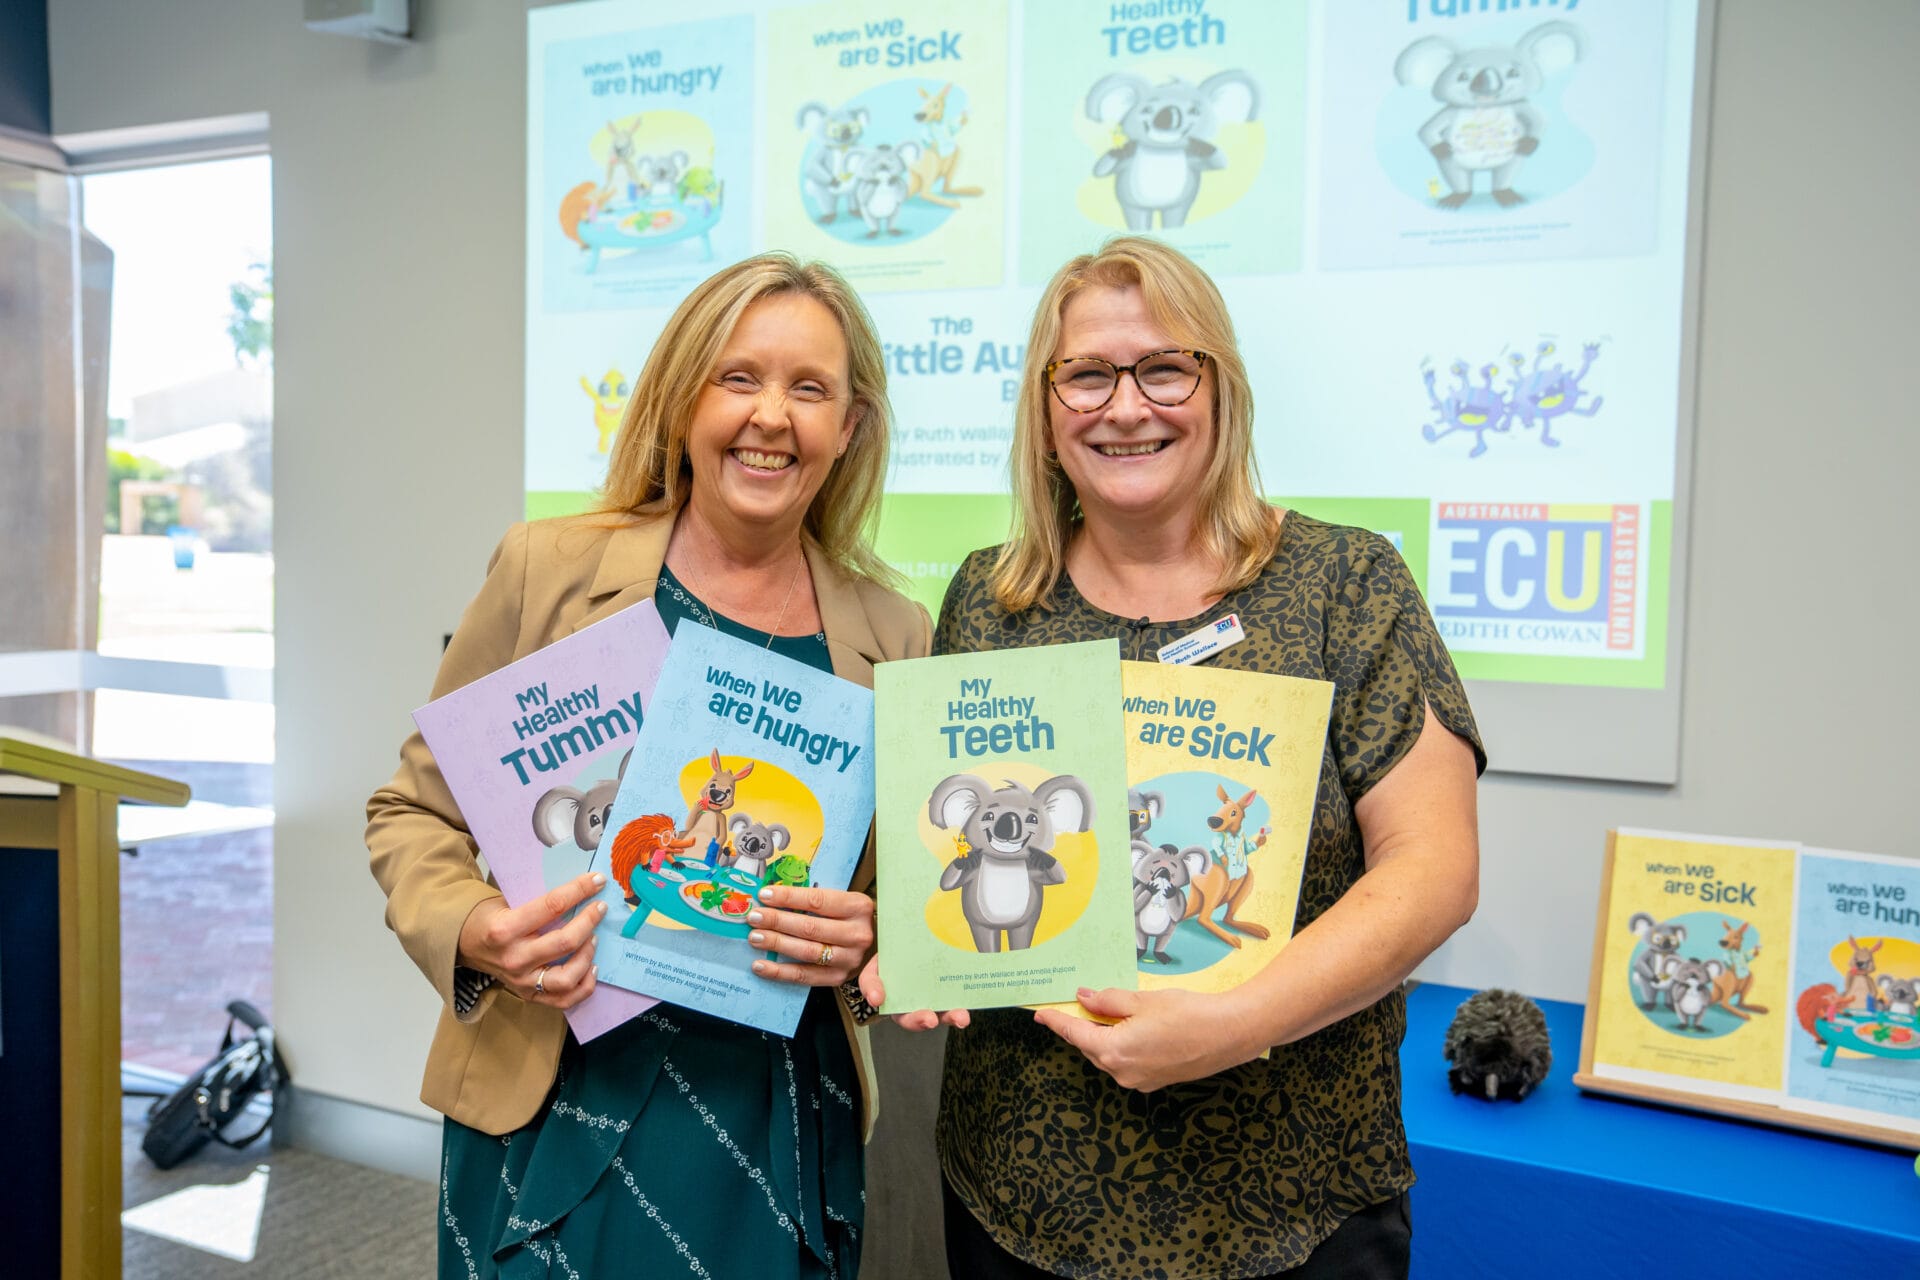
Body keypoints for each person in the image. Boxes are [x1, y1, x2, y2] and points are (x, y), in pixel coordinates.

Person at [901, 237, 1485, 1279]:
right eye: (1086, 373)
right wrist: (911, 940)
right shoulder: (992, 599)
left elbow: (1434, 871)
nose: (1126, 406)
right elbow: (940, 851)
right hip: (1021, 1204)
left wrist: (1230, 1021)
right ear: (1045, 404)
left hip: (1295, 1211)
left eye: (1164, 367)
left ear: (1221, 389)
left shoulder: (1346, 583)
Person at [366, 253, 930, 1279]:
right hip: (557, 1090)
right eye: (739, 377)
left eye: (811, 388)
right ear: (681, 401)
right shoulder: (548, 567)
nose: (772, 416)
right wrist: (479, 930)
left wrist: (878, 934)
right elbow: (413, 811)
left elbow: (906, 902)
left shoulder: (896, 634)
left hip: (777, 1118)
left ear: (849, 429)